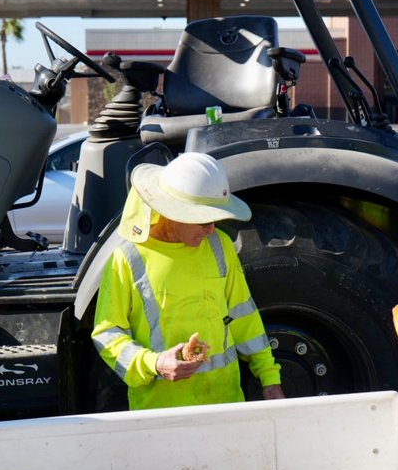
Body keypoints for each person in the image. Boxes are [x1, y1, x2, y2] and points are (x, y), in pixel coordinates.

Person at [92, 152, 284, 410]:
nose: (212, 229)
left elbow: (244, 318)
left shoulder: (220, 247)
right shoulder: (128, 258)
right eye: (203, 220)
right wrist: (155, 364)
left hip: (224, 406)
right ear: (174, 211)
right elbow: (107, 334)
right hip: (160, 414)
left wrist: (270, 380)